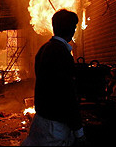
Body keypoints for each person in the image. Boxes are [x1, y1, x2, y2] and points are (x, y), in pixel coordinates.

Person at [22, 9, 86, 146]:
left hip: (42, 120)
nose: (75, 30)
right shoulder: (60, 52)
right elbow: (66, 93)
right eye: (74, 27)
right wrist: (78, 131)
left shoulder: (44, 49)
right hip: (54, 127)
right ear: (70, 29)